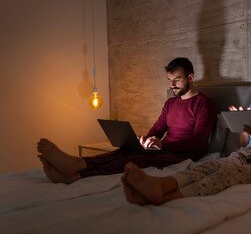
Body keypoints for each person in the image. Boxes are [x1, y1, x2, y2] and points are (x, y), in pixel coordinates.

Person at [121, 53, 251, 205]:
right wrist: (243, 127)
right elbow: (244, 143)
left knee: (227, 175)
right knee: (206, 167)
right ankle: (160, 184)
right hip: (244, 154)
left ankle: (165, 197)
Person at [37, 57, 217, 184]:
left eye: (176, 80)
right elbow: (158, 128)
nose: (172, 85)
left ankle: (77, 174)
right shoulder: (170, 103)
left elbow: (198, 140)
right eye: (169, 80)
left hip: (187, 154)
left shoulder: (205, 103)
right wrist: (145, 140)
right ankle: (77, 164)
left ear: (190, 78)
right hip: (165, 149)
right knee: (127, 150)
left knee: (137, 158)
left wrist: (164, 146)